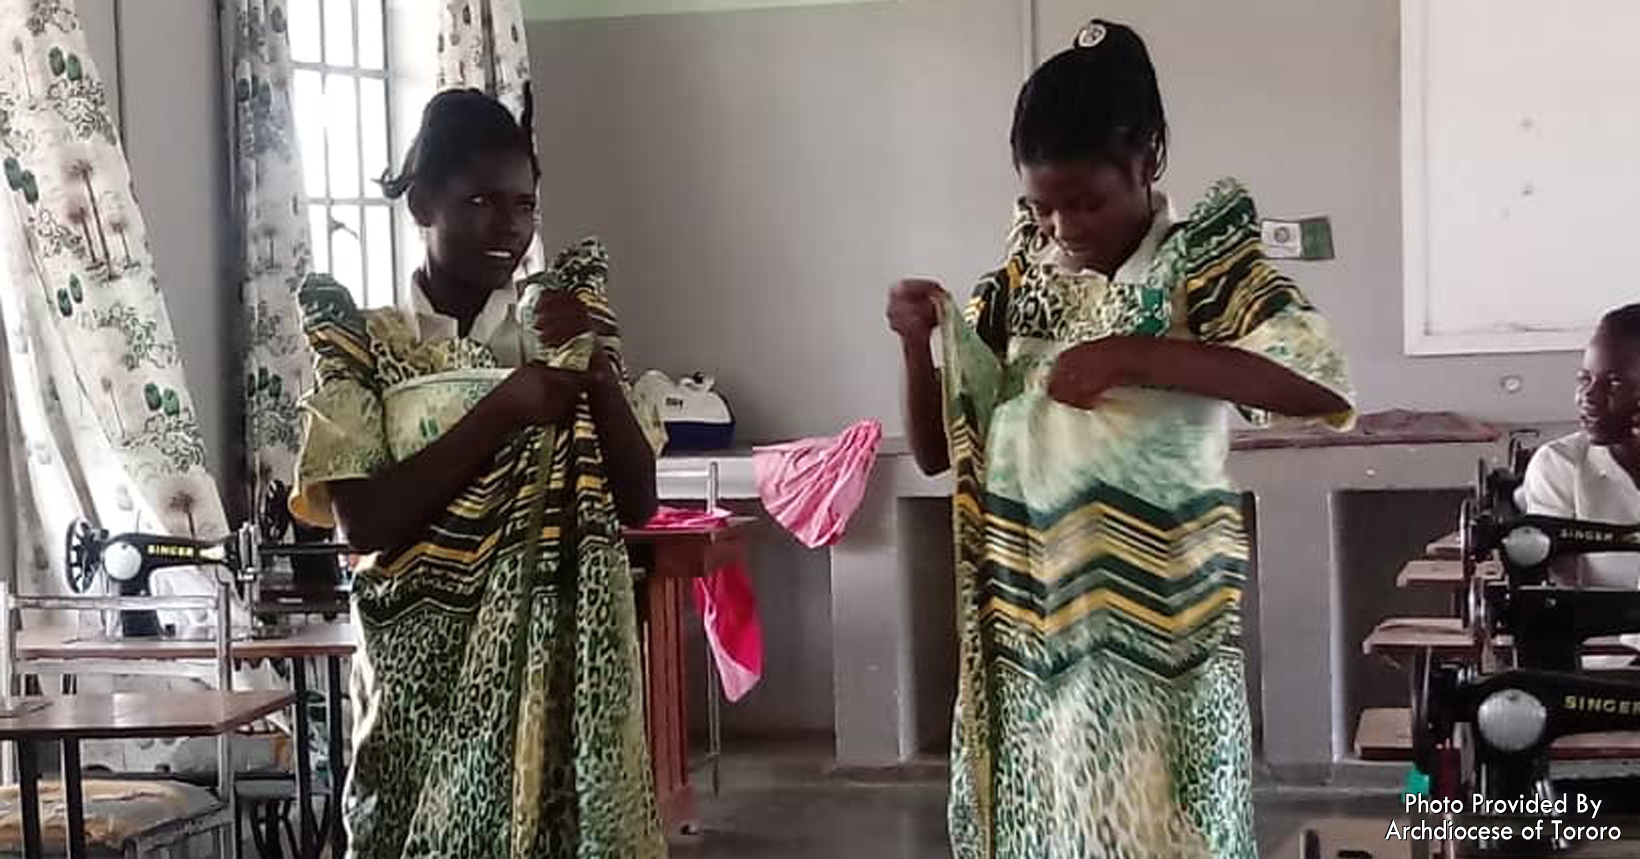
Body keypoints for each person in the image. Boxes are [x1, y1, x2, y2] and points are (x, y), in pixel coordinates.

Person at [886, 20, 1354, 859]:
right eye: (1042, 205)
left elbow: (1318, 383)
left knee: (1163, 835)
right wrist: (915, 348)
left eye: (1086, 201)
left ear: (1145, 162)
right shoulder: (1018, 284)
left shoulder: (1205, 266)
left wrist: (1140, 355)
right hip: (1033, 645)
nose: (1063, 225)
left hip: (1158, 645)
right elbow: (935, 455)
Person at [288, 87, 666, 858]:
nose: (511, 227)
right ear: (423, 202)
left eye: (525, 205)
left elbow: (638, 500)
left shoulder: (559, 327)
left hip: (553, 668)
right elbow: (365, 521)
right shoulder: (365, 346)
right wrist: (501, 409)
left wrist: (593, 371)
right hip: (416, 675)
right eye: (483, 201)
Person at [1521, 304, 1640, 589]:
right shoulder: (1559, 465)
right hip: (1603, 634)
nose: (1588, 397)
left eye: (1613, 383)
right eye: (1585, 378)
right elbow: (1557, 581)